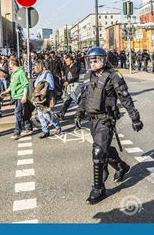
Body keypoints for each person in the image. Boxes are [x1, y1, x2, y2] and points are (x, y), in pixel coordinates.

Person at [76, 47, 144, 204]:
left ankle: (98, 188)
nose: (91, 63)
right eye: (90, 60)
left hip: (106, 119)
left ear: (103, 60)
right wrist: (78, 114)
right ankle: (121, 166)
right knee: (104, 148)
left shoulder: (114, 76)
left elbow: (125, 97)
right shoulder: (88, 76)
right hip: (92, 119)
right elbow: (84, 97)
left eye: (94, 60)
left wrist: (135, 118)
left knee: (98, 151)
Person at [2, 58, 32, 140]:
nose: (9, 65)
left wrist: (24, 96)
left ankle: (17, 132)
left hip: (20, 96)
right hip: (16, 96)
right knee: (24, 112)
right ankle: (28, 127)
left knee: (17, 113)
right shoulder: (13, 73)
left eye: (9, 64)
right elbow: (12, 85)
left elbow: (25, 84)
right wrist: (5, 92)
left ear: (13, 64)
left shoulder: (21, 72)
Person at [32, 60, 62, 138]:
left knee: (46, 115)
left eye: (35, 66)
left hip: (45, 98)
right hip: (39, 99)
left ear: (39, 66)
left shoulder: (47, 74)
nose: (34, 67)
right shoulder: (38, 75)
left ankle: (57, 126)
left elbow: (51, 86)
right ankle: (45, 131)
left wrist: (43, 91)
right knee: (40, 115)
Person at [55, 55, 80, 120]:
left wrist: (68, 81)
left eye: (68, 61)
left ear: (71, 61)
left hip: (75, 86)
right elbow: (63, 73)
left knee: (79, 101)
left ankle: (83, 113)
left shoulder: (76, 67)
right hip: (69, 87)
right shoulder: (66, 67)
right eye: (65, 61)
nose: (66, 62)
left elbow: (76, 77)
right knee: (67, 101)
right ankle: (61, 114)